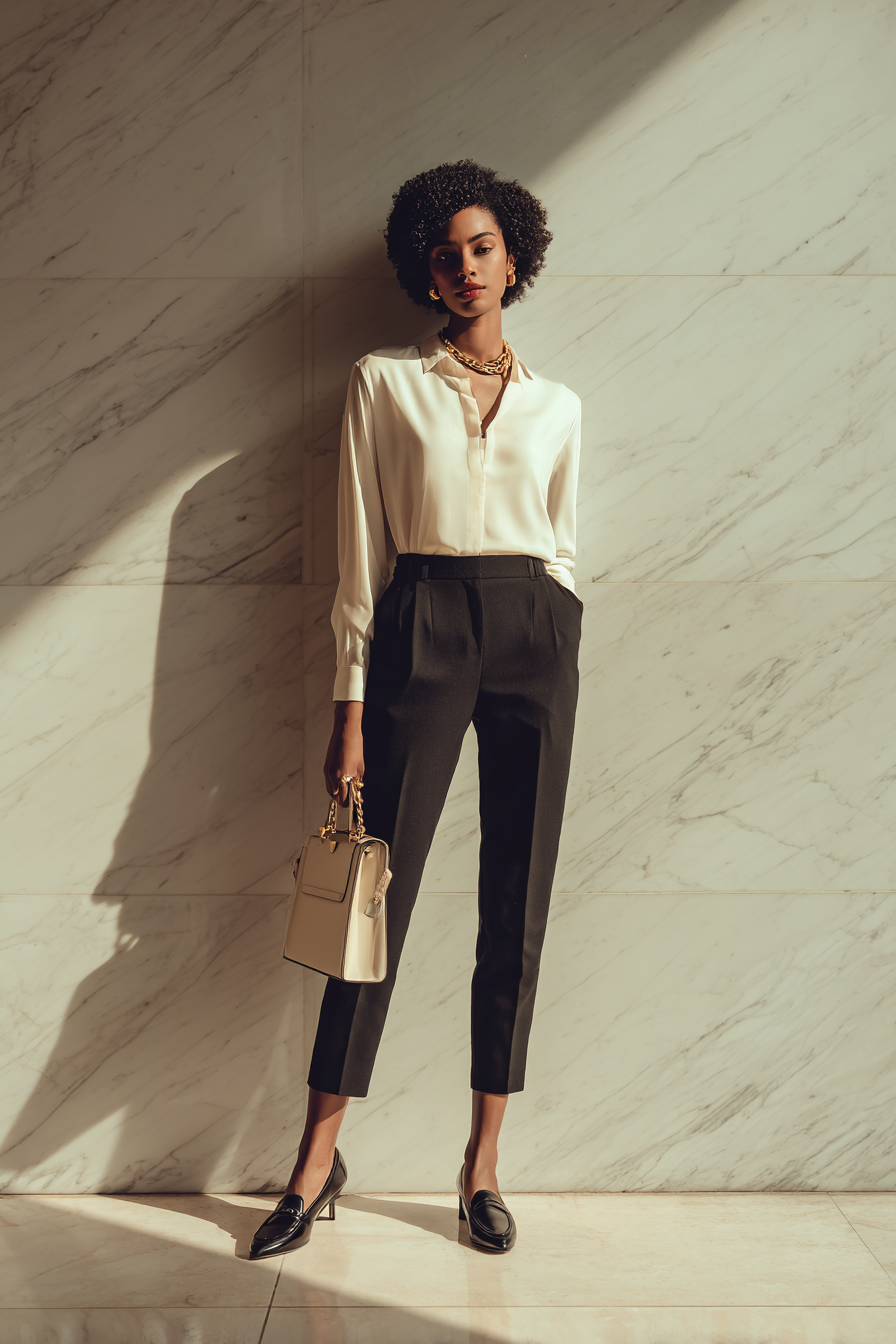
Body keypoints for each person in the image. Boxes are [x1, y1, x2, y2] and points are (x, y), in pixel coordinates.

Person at [251, 160, 582, 1260]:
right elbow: (360, 554)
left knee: (516, 903)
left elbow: (563, 536)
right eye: (446, 255)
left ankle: (481, 1166)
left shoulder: (558, 405)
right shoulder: (383, 385)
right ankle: (315, 1161)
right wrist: (349, 702)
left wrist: (556, 612)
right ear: (424, 273)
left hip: (534, 627)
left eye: (482, 248)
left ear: (513, 257)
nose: (465, 268)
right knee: (371, 905)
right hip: (421, 619)